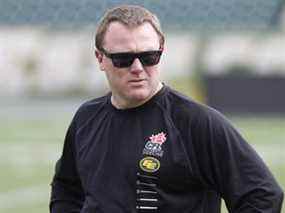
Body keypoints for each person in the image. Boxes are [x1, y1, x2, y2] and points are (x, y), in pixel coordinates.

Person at [49, 4, 283, 213]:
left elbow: (262, 194)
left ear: (161, 51)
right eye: (123, 59)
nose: (138, 68)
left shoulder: (196, 122)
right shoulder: (86, 118)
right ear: (100, 59)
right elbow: (66, 189)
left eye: (149, 56)